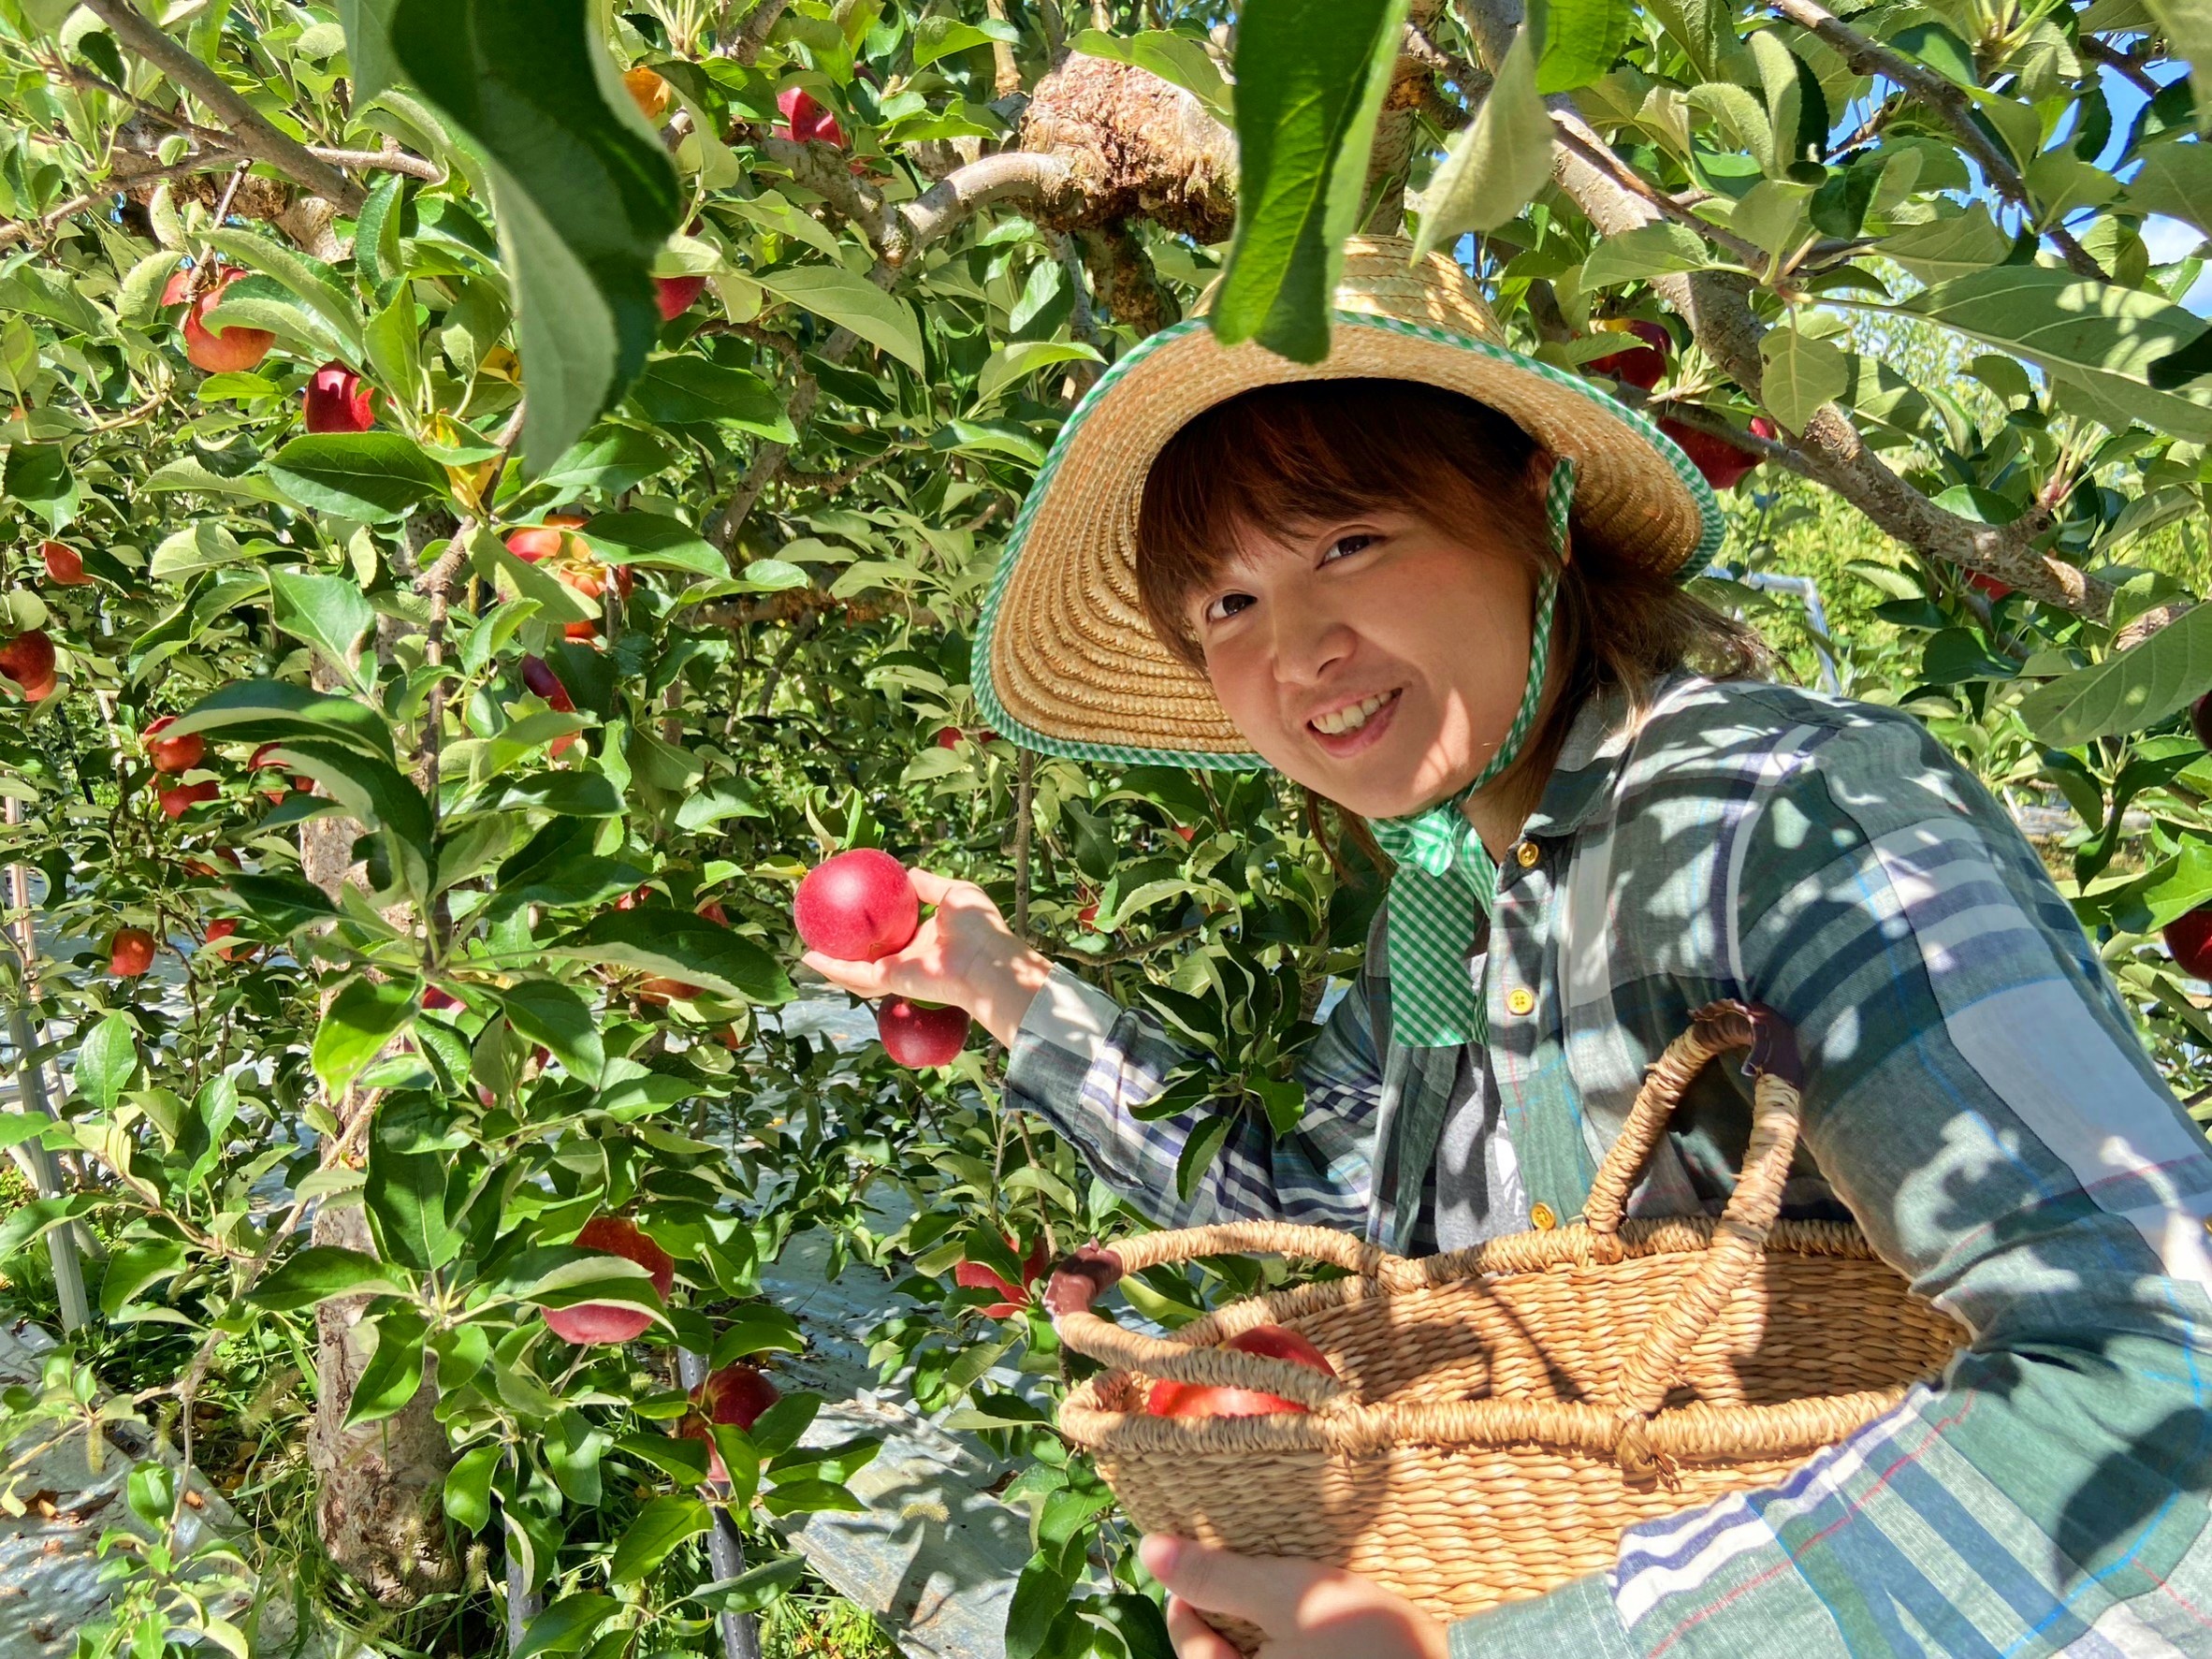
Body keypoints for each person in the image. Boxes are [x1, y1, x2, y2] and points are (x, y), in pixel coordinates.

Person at [804, 238, 2212, 1657]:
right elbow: (1340, 1214)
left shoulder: (1779, 820)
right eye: (1225, 605)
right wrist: (1004, 988)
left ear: (1536, 511)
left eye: (1348, 542)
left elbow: (2166, 1385)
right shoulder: (1439, 911)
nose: (1296, 647)